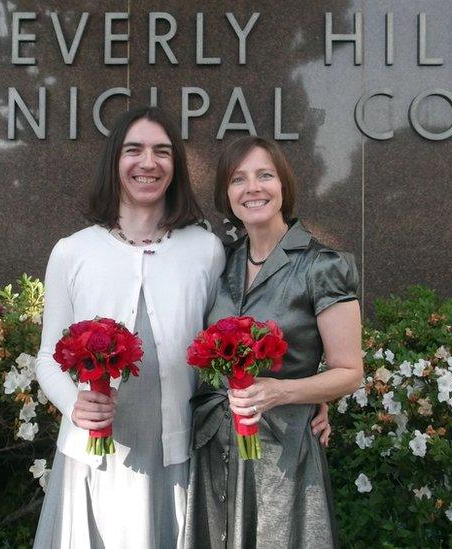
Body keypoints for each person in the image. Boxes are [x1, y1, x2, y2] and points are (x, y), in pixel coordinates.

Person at [33, 106, 225, 548]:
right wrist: (73, 404)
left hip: (173, 456)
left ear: (175, 166)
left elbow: (223, 351)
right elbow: (47, 356)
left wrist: (300, 395)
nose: (148, 162)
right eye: (133, 150)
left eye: (162, 151)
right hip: (91, 455)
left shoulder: (206, 250)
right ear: (114, 163)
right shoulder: (72, 252)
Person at [184, 136, 364, 549]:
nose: (253, 188)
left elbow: (350, 372)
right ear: (226, 195)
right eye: (238, 179)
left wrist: (286, 391)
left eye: (265, 175)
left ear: (283, 185)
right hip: (216, 447)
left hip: (283, 452)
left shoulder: (323, 266)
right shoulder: (219, 261)